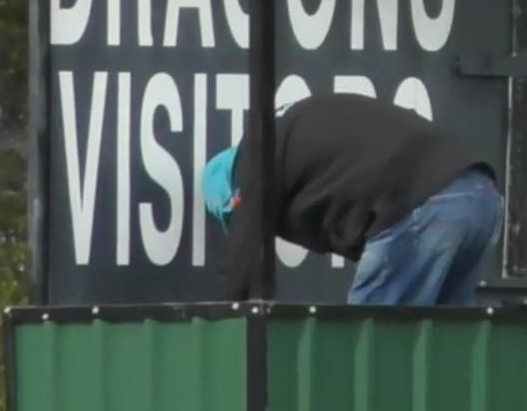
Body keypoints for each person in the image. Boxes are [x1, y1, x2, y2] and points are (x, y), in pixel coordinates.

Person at [201, 93, 502, 305]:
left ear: (235, 191)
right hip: (479, 195)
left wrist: (213, 331)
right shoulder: (290, 131)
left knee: (367, 350)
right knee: (445, 348)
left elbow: (241, 263)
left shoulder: (254, 155)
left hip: (422, 204)